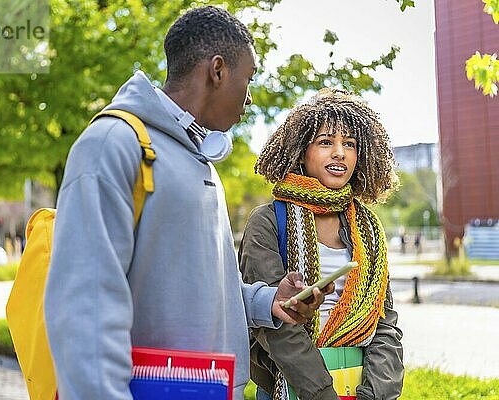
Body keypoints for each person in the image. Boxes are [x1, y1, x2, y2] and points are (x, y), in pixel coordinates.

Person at [44, 7, 332, 400]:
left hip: (211, 389)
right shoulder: (113, 145)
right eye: (247, 80)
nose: (248, 99)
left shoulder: (202, 162)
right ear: (217, 71)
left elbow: (206, 289)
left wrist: (270, 302)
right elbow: (82, 310)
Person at [239, 89, 404, 400]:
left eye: (350, 144)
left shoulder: (367, 228)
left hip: (361, 387)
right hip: (293, 385)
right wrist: (322, 394)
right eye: (326, 142)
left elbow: (384, 323)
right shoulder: (268, 221)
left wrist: (375, 394)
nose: (340, 152)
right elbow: (275, 325)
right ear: (302, 152)